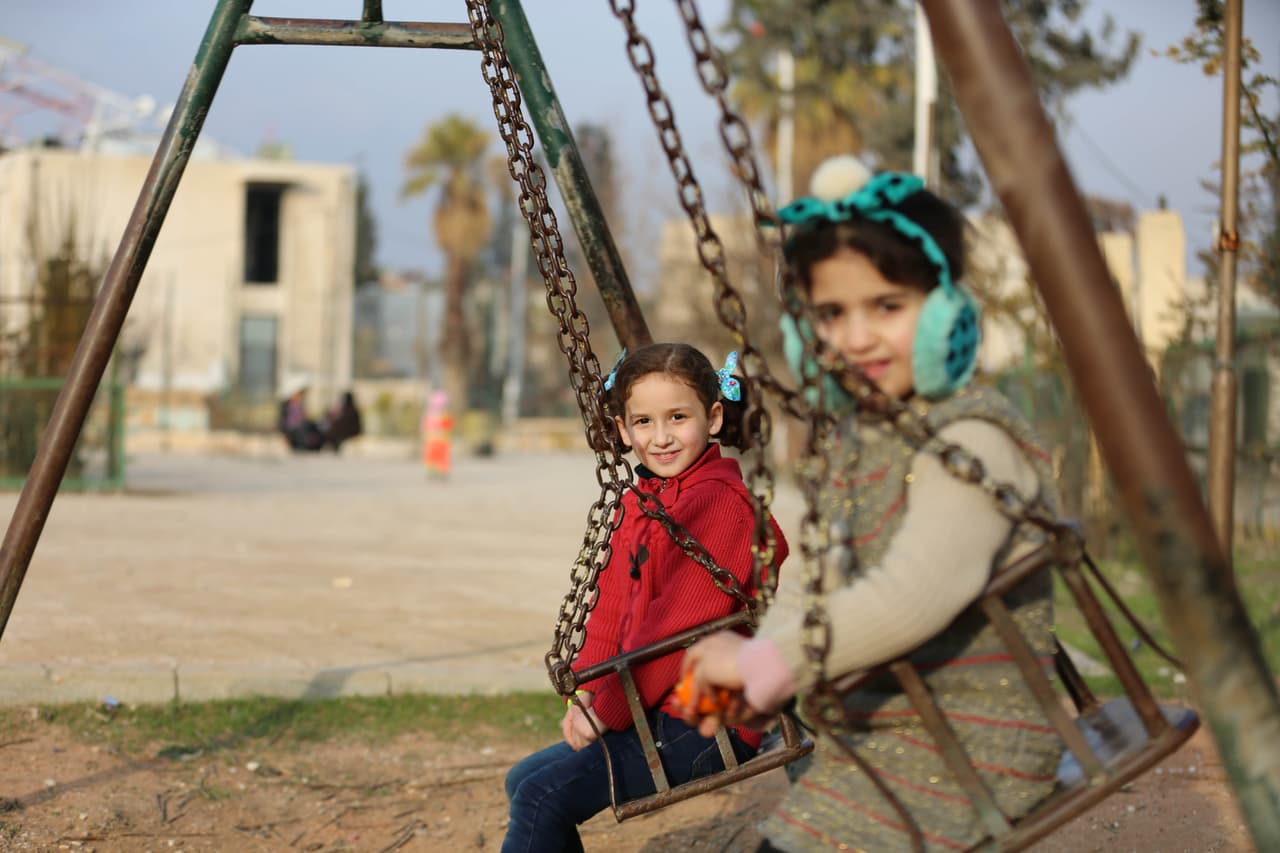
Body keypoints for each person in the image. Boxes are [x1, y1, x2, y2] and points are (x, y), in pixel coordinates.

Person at [680, 156, 1066, 852]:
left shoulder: (970, 439)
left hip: (972, 754)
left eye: (887, 306)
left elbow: (912, 596)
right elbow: (815, 580)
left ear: (944, 311)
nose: (856, 339)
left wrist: (766, 666)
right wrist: (761, 663)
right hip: (883, 741)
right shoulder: (864, 439)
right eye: (831, 314)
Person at [502, 343, 790, 853]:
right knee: (524, 780)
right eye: (643, 422)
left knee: (542, 796)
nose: (660, 438)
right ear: (622, 429)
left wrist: (609, 711)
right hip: (654, 706)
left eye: (678, 417)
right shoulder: (643, 499)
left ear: (713, 417)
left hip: (710, 715)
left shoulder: (723, 506)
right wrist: (588, 692)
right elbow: (612, 606)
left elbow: (677, 631)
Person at [278, 375, 325, 452]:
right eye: (301, 393)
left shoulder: (299, 405)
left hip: (303, 432)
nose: (302, 396)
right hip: (296, 434)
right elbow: (284, 424)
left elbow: (305, 419)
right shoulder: (287, 407)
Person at [422, 390, 453, 478]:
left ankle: (439, 471)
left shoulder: (444, 416)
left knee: (439, 457)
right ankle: (435, 471)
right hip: (435, 441)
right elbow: (425, 428)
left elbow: (448, 428)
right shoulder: (431, 416)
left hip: (439, 441)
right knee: (433, 457)